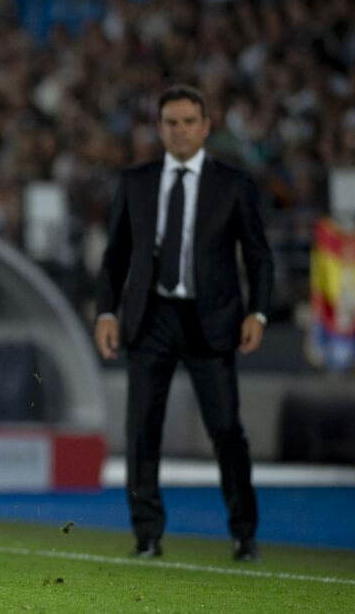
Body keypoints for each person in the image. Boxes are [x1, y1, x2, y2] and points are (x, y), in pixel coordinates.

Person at [94, 84, 273, 563]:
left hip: (211, 320)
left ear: (206, 127)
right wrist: (107, 312)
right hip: (150, 317)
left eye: (188, 122)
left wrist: (258, 312)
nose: (179, 130)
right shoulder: (135, 181)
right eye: (171, 122)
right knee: (140, 430)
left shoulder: (233, 184)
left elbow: (258, 256)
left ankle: (243, 533)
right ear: (159, 128)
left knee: (226, 430)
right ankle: (147, 535)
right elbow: (115, 257)